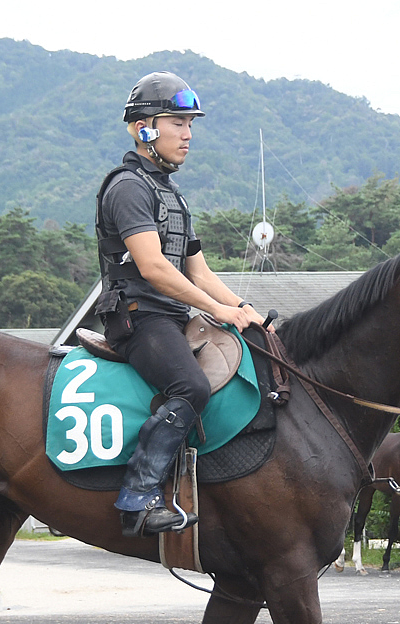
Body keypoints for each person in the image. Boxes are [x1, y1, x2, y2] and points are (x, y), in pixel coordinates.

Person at [95, 72, 269, 537]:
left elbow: (200, 272)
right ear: (145, 128)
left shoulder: (171, 194)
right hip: (138, 317)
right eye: (178, 123)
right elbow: (153, 268)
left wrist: (244, 310)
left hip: (172, 317)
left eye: (191, 124)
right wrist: (217, 311)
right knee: (190, 386)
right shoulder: (128, 187)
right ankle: (138, 496)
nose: (189, 135)